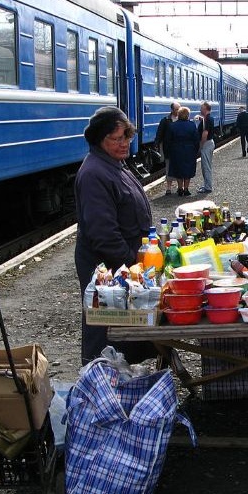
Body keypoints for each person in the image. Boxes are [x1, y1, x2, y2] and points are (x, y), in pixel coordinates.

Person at [74, 106, 155, 364]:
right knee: (107, 333)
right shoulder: (94, 173)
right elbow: (103, 234)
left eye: (127, 137)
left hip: (123, 264)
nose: (125, 144)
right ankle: (104, 381)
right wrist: (132, 266)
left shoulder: (113, 165)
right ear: (100, 139)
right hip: (109, 269)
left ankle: (125, 377)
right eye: (116, 138)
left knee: (124, 333)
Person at [167, 106, 201, 196]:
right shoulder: (192, 125)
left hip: (176, 150)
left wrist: (170, 150)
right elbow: (196, 139)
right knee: (188, 169)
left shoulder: (173, 125)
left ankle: (180, 188)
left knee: (178, 169)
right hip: (189, 150)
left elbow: (169, 140)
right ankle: (186, 189)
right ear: (187, 115)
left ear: (178, 114)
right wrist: (196, 149)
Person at [155, 101, 180, 195]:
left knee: (179, 168)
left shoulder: (182, 119)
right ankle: (168, 188)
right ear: (172, 110)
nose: (178, 111)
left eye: (179, 109)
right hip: (169, 148)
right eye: (176, 109)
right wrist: (156, 143)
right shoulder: (165, 120)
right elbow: (160, 132)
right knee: (168, 168)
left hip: (179, 149)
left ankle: (179, 186)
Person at [197, 101, 215, 193]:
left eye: (201, 108)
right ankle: (206, 185)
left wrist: (201, 145)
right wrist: (201, 120)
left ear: (205, 109)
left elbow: (205, 133)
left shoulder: (207, 119)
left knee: (206, 166)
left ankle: (208, 187)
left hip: (206, 143)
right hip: (209, 143)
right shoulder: (207, 118)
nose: (200, 109)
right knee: (206, 166)